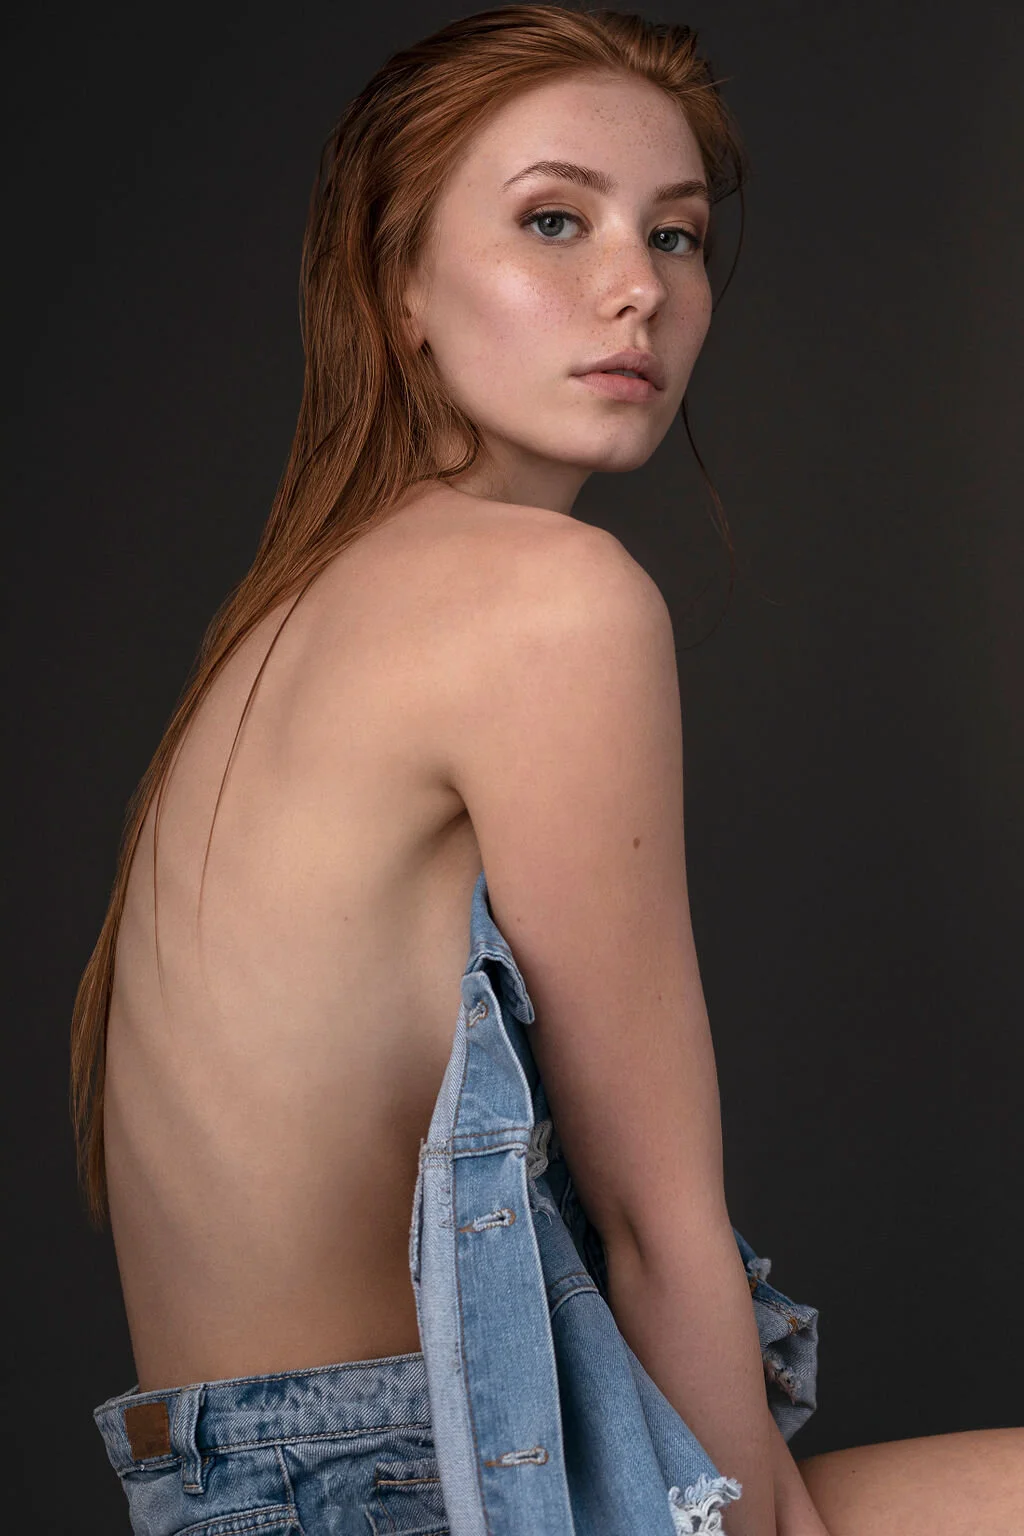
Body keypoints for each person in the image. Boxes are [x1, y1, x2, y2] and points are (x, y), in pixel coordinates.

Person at [73, 5, 1023, 1534]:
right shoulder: (546, 602)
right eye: (555, 220)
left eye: (677, 234)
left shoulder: (296, 616)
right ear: (398, 285)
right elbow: (654, 1226)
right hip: (400, 1491)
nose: (637, 285)